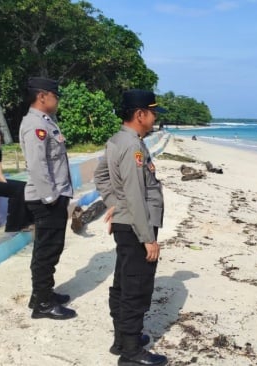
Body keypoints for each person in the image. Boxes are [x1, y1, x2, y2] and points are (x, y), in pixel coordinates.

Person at [94, 89, 168, 366]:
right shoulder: (133, 146)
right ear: (140, 114)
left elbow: (101, 175)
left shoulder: (119, 140)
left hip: (127, 222)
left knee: (124, 282)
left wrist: (113, 202)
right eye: (152, 113)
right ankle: (131, 352)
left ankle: (123, 340)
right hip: (138, 225)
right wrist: (148, 238)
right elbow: (136, 195)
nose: (154, 118)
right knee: (136, 286)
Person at [19, 77, 76, 320]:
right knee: (47, 250)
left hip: (53, 195)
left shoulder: (45, 121)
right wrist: (51, 198)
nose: (58, 99)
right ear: (42, 96)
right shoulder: (35, 125)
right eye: (55, 95)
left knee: (49, 247)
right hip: (46, 199)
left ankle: (42, 293)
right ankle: (42, 304)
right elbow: (38, 165)